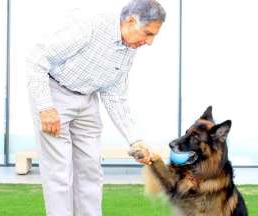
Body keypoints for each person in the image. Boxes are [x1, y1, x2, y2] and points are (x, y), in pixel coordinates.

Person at [26, 0, 166, 215]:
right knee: (59, 172)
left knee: (91, 171)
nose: (150, 42)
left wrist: (134, 139)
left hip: (88, 100)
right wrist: (45, 107)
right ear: (130, 21)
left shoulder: (129, 47)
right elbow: (37, 59)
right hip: (54, 94)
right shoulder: (89, 26)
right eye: (148, 34)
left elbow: (114, 94)